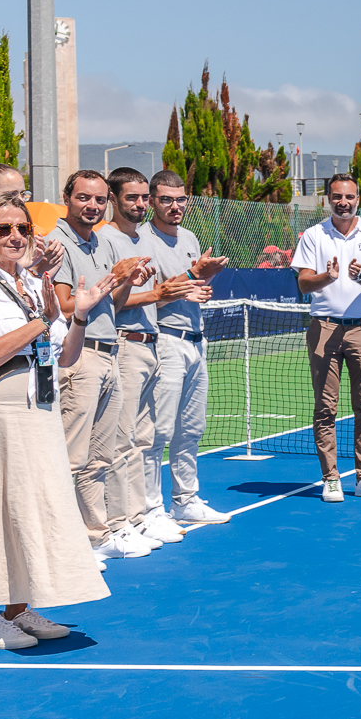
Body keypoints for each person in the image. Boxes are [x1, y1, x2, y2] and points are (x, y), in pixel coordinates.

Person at [0, 191, 115, 649]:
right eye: (3, 229)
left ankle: (18, 606)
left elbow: (65, 355)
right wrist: (40, 318)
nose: (15, 237)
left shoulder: (33, 282)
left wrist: (77, 316)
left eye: (23, 229)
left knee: (30, 505)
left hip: (39, 402)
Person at [292, 176, 361, 503]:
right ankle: (331, 478)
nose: (344, 202)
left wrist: (357, 275)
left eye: (349, 196)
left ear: (358, 199)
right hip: (323, 328)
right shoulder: (313, 235)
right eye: (337, 196)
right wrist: (328, 276)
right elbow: (304, 284)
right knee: (325, 408)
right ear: (328, 199)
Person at [48, 170, 130, 560]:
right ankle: (65, 545)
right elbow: (64, 307)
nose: (92, 206)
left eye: (99, 200)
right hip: (78, 356)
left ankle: (94, 535)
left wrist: (127, 278)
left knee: (99, 457)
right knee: (71, 457)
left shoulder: (101, 242)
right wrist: (99, 292)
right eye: (84, 198)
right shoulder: (57, 244)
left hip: (110, 353)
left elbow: (114, 301)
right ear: (67, 197)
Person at [140, 172, 229, 525]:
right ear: (151, 201)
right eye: (166, 200)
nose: (175, 207)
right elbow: (149, 297)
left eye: (180, 200)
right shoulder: (141, 240)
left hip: (196, 339)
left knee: (191, 428)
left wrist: (202, 282)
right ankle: (150, 508)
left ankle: (185, 500)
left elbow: (191, 284)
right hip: (164, 340)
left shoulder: (189, 237)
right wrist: (193, 277)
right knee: (159, 432)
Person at [101, 168, 173, 548]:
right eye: (132, 197)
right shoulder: (106, 240)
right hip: (125, 345)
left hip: (150, 344)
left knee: (143, 439)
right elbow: (111, 300)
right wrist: (160, 292)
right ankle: (117, 523)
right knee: (120, 440)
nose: (141, 204)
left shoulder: (141, 238)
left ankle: (139, 516)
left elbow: (153, 293)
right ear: (114, 199)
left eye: (145, 197)